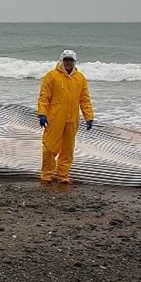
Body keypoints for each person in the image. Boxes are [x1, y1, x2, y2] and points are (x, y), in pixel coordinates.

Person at [37, 49, 94, 184]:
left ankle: (63, 175)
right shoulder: (51, 76)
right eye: (66, 60)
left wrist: (89, 116)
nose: (68, 62)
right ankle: (47, 175)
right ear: (61, 61)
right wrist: (42, 114)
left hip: (72, 119)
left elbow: (84, 99)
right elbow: (44, 97)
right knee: (50, 147)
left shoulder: (80, 78)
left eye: (71, 60)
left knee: (68, 149)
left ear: (74, 62)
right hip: (55, 117)